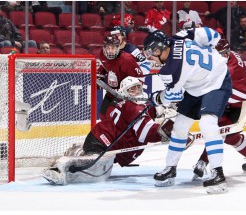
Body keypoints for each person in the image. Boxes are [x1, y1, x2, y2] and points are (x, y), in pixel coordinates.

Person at [143, 28, 232, 194]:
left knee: (207, 124)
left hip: (216, 82)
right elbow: (212, 35)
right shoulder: (179, 36)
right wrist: (210, 49)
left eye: (153, 54)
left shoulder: (170, 71)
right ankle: (170, 168)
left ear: (160, 48)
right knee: (180, 127)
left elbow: (172, 95)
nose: (153, 58)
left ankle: (218, 173)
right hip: (195, 86)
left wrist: (157, 98)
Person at [41, 76, 176, 185]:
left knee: (98, 162)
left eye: (138, 88)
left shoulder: (120, 103)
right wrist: (171, 134)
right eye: (132, 90)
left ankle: (79, 151)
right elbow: (146, 132)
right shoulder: (134, 108)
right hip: (104, 144)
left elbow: (135, 114)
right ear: (124, 92)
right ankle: (60, 168)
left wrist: (158, 110)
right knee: (96, 170)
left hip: (101, 139)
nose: (137, 92)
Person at [192, 39, 246, 179]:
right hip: (236, 102)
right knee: (226, 133)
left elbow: (244, 96)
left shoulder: (230, 71)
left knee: (222, 131)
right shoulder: (227, 57)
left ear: (227, 54)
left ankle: (202, 162)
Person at [97, 33, 144, 120]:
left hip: (125, 96)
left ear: (118, 47)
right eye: (108, 48)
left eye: (113, 48)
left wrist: (129, 91)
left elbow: (140, 78)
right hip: (111, 93)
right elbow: (105, 66)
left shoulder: (127, 60)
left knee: (117, 120)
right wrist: (100, 75)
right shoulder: (102, 55)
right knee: (103, 116)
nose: (110, 51)